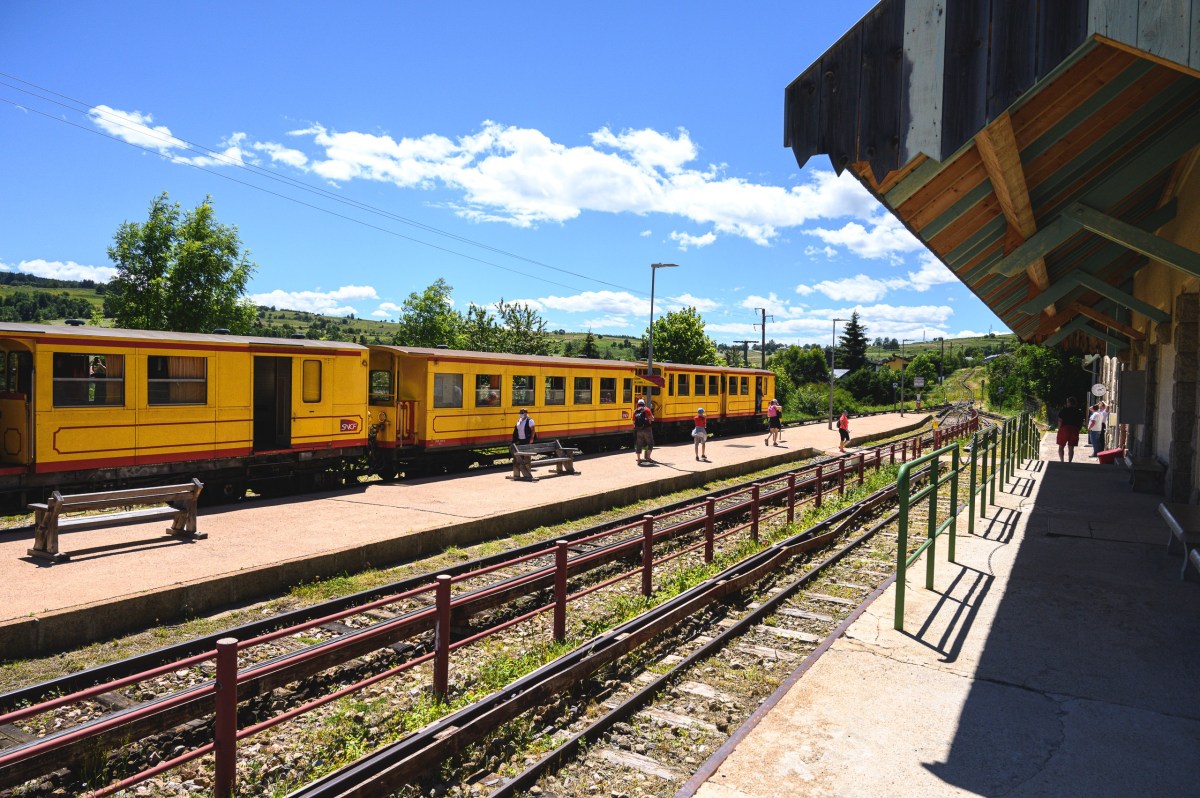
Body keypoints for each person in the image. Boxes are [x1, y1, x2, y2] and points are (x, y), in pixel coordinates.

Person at [1056, 396, 1084, 462]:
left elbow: (1060, 420)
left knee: (1061, 447)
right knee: (1071, 448)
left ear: (1068, 402)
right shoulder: (1079, 412)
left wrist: (1059, 429)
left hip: (1064, 429)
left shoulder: (1064, 410)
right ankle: (1069, 461)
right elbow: (1081, 422)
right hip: (1074, 429)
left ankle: (1062, 461)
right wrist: (1078, 429)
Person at [633, 398, 655, 464]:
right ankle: (648, 457)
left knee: (639, 444)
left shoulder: (635, 411)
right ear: (644, 404)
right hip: (647, 429)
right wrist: (652, 418)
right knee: (650, 443)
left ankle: (639, 459)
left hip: (639, 430)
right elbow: (652, 419)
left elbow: (633, 422)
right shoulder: (646, 409)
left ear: (638, 404)